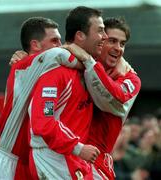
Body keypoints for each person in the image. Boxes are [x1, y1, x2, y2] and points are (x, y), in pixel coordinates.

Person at [63, 17, 141, 179]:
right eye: (112, 41)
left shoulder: (131, 79)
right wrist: (29, 58)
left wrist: (88, 60)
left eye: (122, 44)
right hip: (66, 155)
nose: (118, 48)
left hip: (96, 163)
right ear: (100, 41)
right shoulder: (80, 63)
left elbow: (114, 95)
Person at [0, 17, 62, 180]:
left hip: (32, 158)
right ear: (35, 45)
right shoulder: (24, 66)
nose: (60, 46)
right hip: (12, 159)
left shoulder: (41, 67)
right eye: (54, 40)